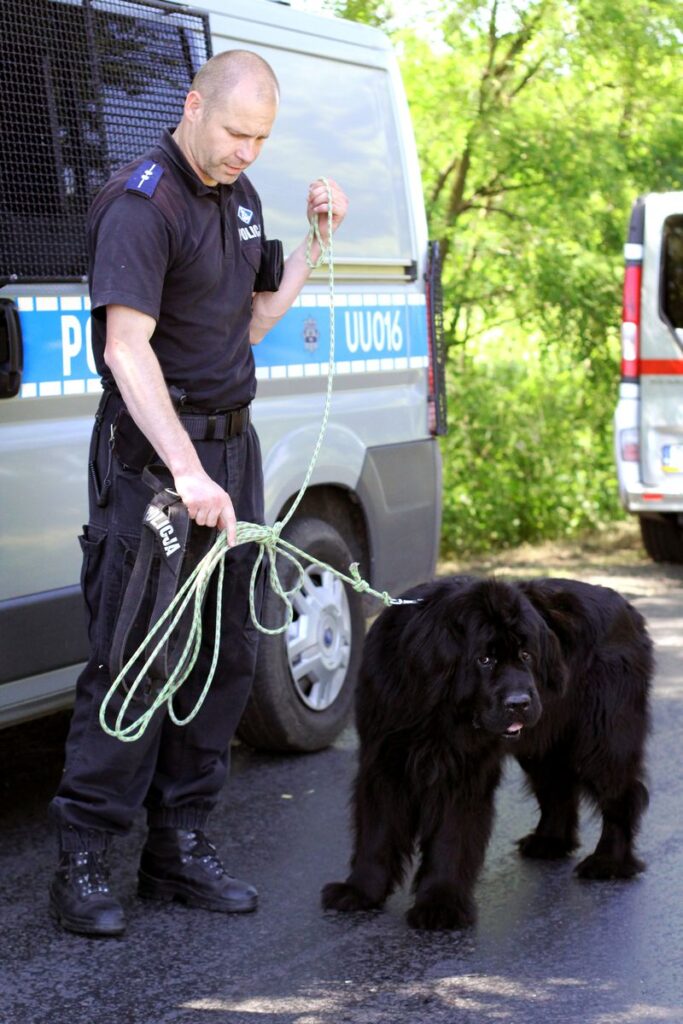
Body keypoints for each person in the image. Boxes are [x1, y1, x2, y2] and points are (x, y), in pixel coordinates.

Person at [48, 49, 348, 938]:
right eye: (234, 132)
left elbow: (251, 318)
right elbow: (125, 351)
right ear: (191, 105)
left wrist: (316, 244)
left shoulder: (241, 197)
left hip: (232, 451)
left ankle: (176, 849)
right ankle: (84, 862)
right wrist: (186, 473)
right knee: (136, 661)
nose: (246, 152)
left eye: (261, 139)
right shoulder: (143, 203)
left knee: (223, 659)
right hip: (154, 464)